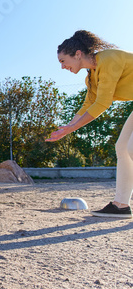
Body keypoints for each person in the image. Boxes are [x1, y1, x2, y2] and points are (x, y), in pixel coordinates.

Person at [47, 30, 133, 218]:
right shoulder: (91, 77)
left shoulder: (108, 59)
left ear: (77, 54)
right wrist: (66, 129)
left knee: (132, 147)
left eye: (63, 61)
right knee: (122, 147)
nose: (62, 67)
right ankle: (121, 206)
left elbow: (103, 103)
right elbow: (88, 104)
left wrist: (72, 128)